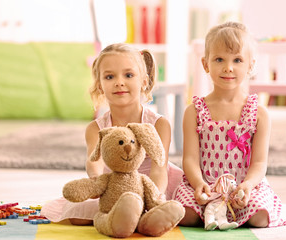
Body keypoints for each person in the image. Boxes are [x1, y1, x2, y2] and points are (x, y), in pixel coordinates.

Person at [40, 43, 183, 225]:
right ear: (100, 86)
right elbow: (94, 161)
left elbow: (159, 169)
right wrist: (96, 183)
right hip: (114, 186)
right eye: (109, 77)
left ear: (144, 82)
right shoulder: (96, 128)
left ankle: (141, 215)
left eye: (129, 75)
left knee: (184, 211)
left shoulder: (159, 124)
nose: (119, 82)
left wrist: (153, 197)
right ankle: (127, 216)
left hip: (154, 187)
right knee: (76, 216)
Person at [174, 22, 286, 229]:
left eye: (237, 60)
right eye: (219, 59)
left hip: (243, 187)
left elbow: (259, 163)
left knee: (260, 218)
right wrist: (199, 184)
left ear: (250, 65)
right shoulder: (194, 111)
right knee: (185, 215)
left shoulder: (259, 113)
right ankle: (216, 211)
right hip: (205, 184)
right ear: (206, 64)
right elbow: (190, 158)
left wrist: (247, 186)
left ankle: (235, 211)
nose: (228, 67)